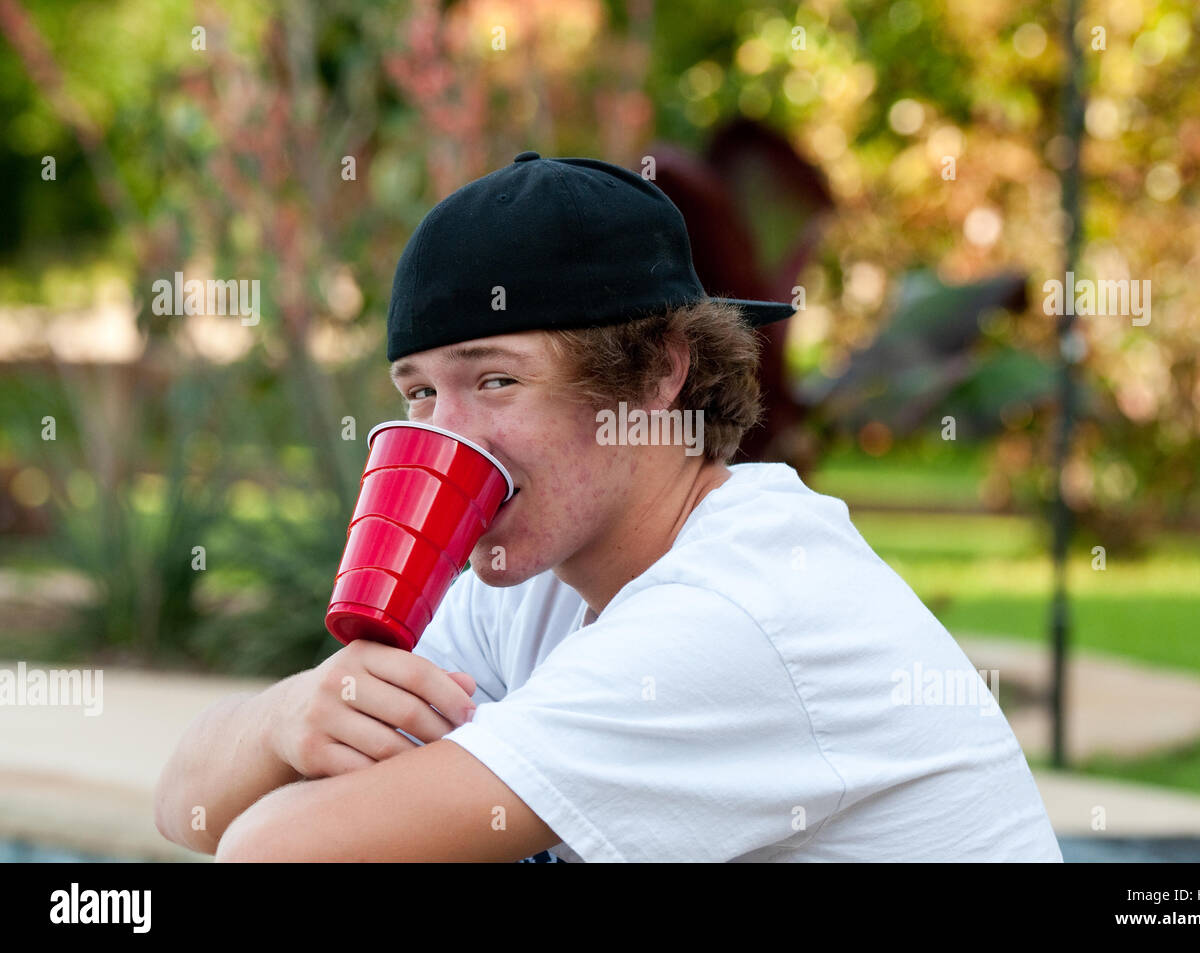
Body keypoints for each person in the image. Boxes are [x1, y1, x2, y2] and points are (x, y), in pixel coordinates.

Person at [155, 151, 1063, 862]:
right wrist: (288, 714)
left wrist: (299, 765)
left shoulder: (733, 610)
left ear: (662, 370)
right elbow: (185, 804)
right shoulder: (531, 573)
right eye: (420, 393)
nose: (450, 436)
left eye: (497, 379)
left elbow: (274, 850)